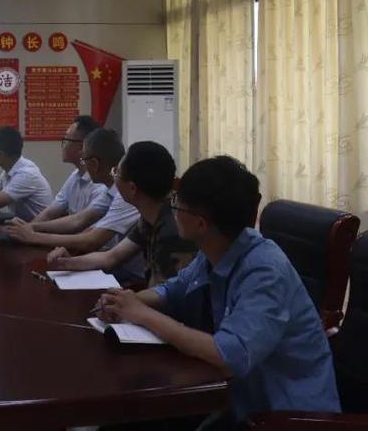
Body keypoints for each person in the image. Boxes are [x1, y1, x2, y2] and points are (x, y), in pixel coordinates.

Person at [95, 156, 339, 424]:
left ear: (201, 224)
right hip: (234, 398)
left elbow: (227, 355)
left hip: (284, 416)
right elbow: (175, 288)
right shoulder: (219, 246)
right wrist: (126, 302)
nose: (172, 209)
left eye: (177, 203)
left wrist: (142, 314)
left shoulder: (265, 272)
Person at [46, 141, 197, 287]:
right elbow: (111, 257)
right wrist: (67, 262)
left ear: (132, 188)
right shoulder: (149, 218)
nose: (113, 177)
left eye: (116, 172)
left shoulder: (173, 231)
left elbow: (162, 296)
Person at [4, 129, 143, 280]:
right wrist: (31, 228)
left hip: (131, 276)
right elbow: (78, 220)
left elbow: (92, 241)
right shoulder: (109, 190)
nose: (83, 165)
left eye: (84, 160)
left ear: (94, 164)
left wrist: (33, 236)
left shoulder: (125, 196)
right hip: (113, 263)